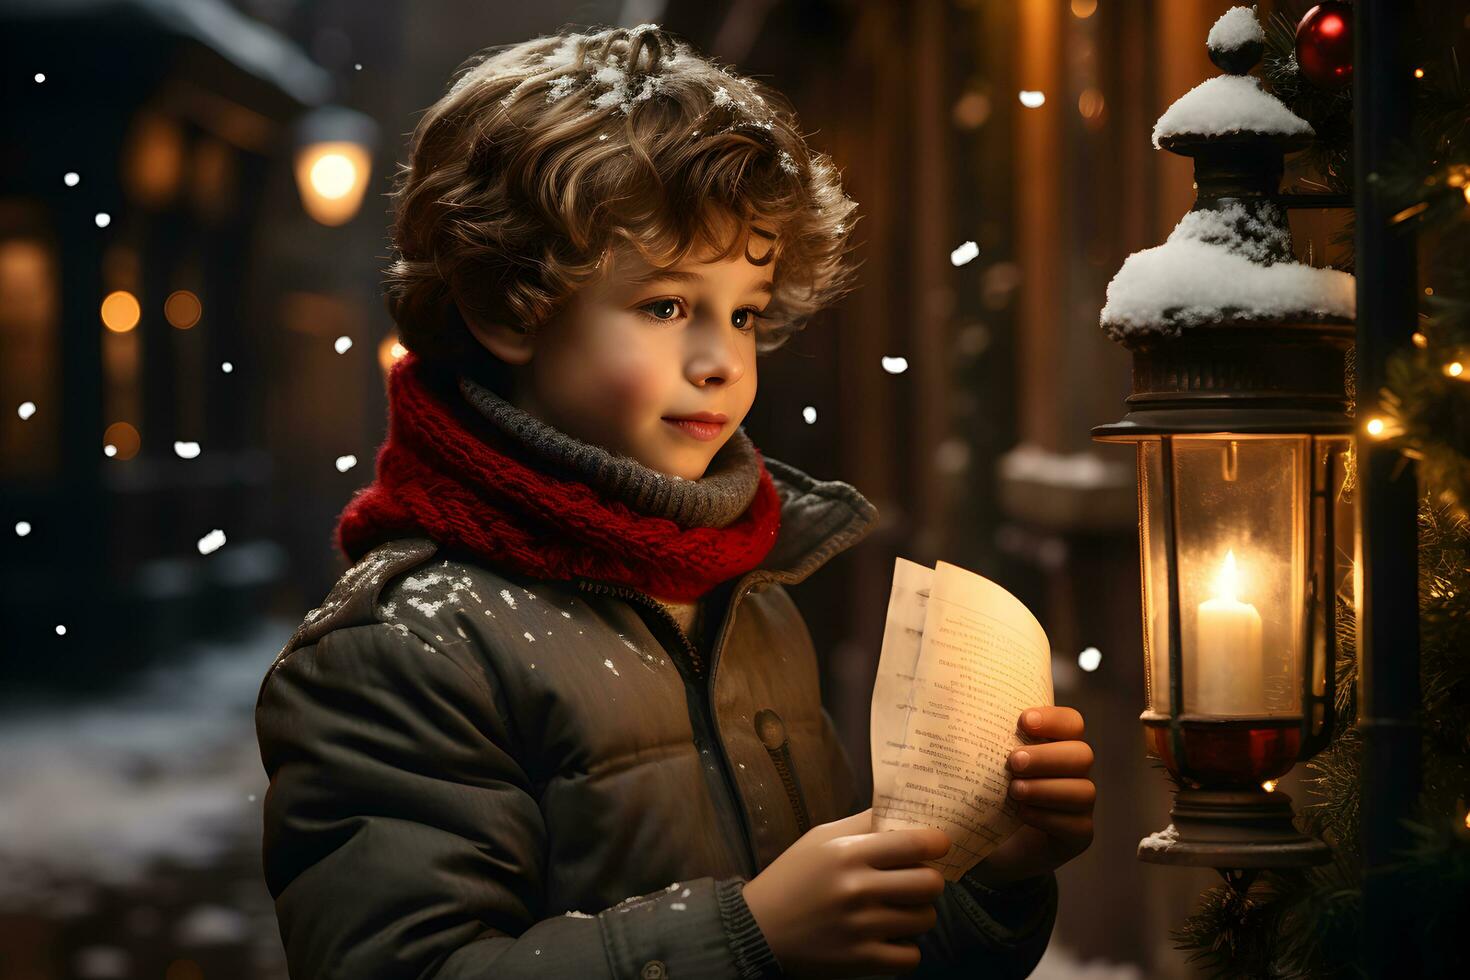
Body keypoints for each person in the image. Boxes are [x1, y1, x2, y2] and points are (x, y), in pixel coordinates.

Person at [255, 23, 1095, 979]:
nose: (721, 361)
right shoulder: (405, 644)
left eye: (744, 311)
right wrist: (747, 940)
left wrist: (994, 877)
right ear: (507, 305)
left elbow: (851, 948)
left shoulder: (749, 589)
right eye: (665, 307)